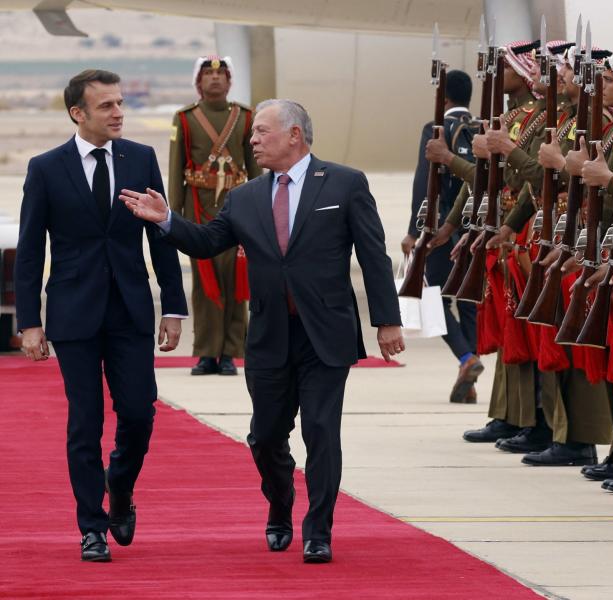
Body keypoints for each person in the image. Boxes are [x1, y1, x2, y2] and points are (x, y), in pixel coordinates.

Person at [121, 98, 403, 564]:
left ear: (295, 135)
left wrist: (387, 321)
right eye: (253, 134)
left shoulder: (345, 184)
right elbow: (209, 243)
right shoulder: (245, 196)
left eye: (262, 132)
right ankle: (280, 502)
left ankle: (319, 531)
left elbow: (374, 255)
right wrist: (167, 220)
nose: (252, 140)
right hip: (270, 334)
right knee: (266, 436)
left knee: (320, 429)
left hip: (325, 333)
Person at [15, 69, 188, 562]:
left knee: (138, 413)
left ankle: (122, 486)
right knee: (84, 422)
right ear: (79, 113)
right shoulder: (46, 168)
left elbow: (160, 237)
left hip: (130, 310)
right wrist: (30, 322)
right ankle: (91, 526)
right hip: (73, 314)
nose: (119, 112)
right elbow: (30, 251)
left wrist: (172, 307)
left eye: (120, 103)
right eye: (107, 105)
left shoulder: (140, 158)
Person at [169, 55, 262, 376]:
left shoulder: (245, 118)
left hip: (237, 212)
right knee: (204, 286)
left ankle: (231, 353)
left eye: (221, 74)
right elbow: (176, 172)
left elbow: (255, 171)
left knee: (238, 284)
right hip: (198, 213)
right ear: (198, 81)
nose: (215, 79)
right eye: (208, 74)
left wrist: (260, 213)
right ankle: (207, 352)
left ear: (230, 80)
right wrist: (174, 221)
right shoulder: (185, 119)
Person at [401, 69, 480, 403]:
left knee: (432, 298)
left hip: (441, 231)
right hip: (474, 228)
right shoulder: (479, 128)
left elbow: (425, 183)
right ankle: (470, 377)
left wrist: (413, 231)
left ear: (443, 99)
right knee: (469, 301)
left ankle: (466, 358)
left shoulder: (436, 130)